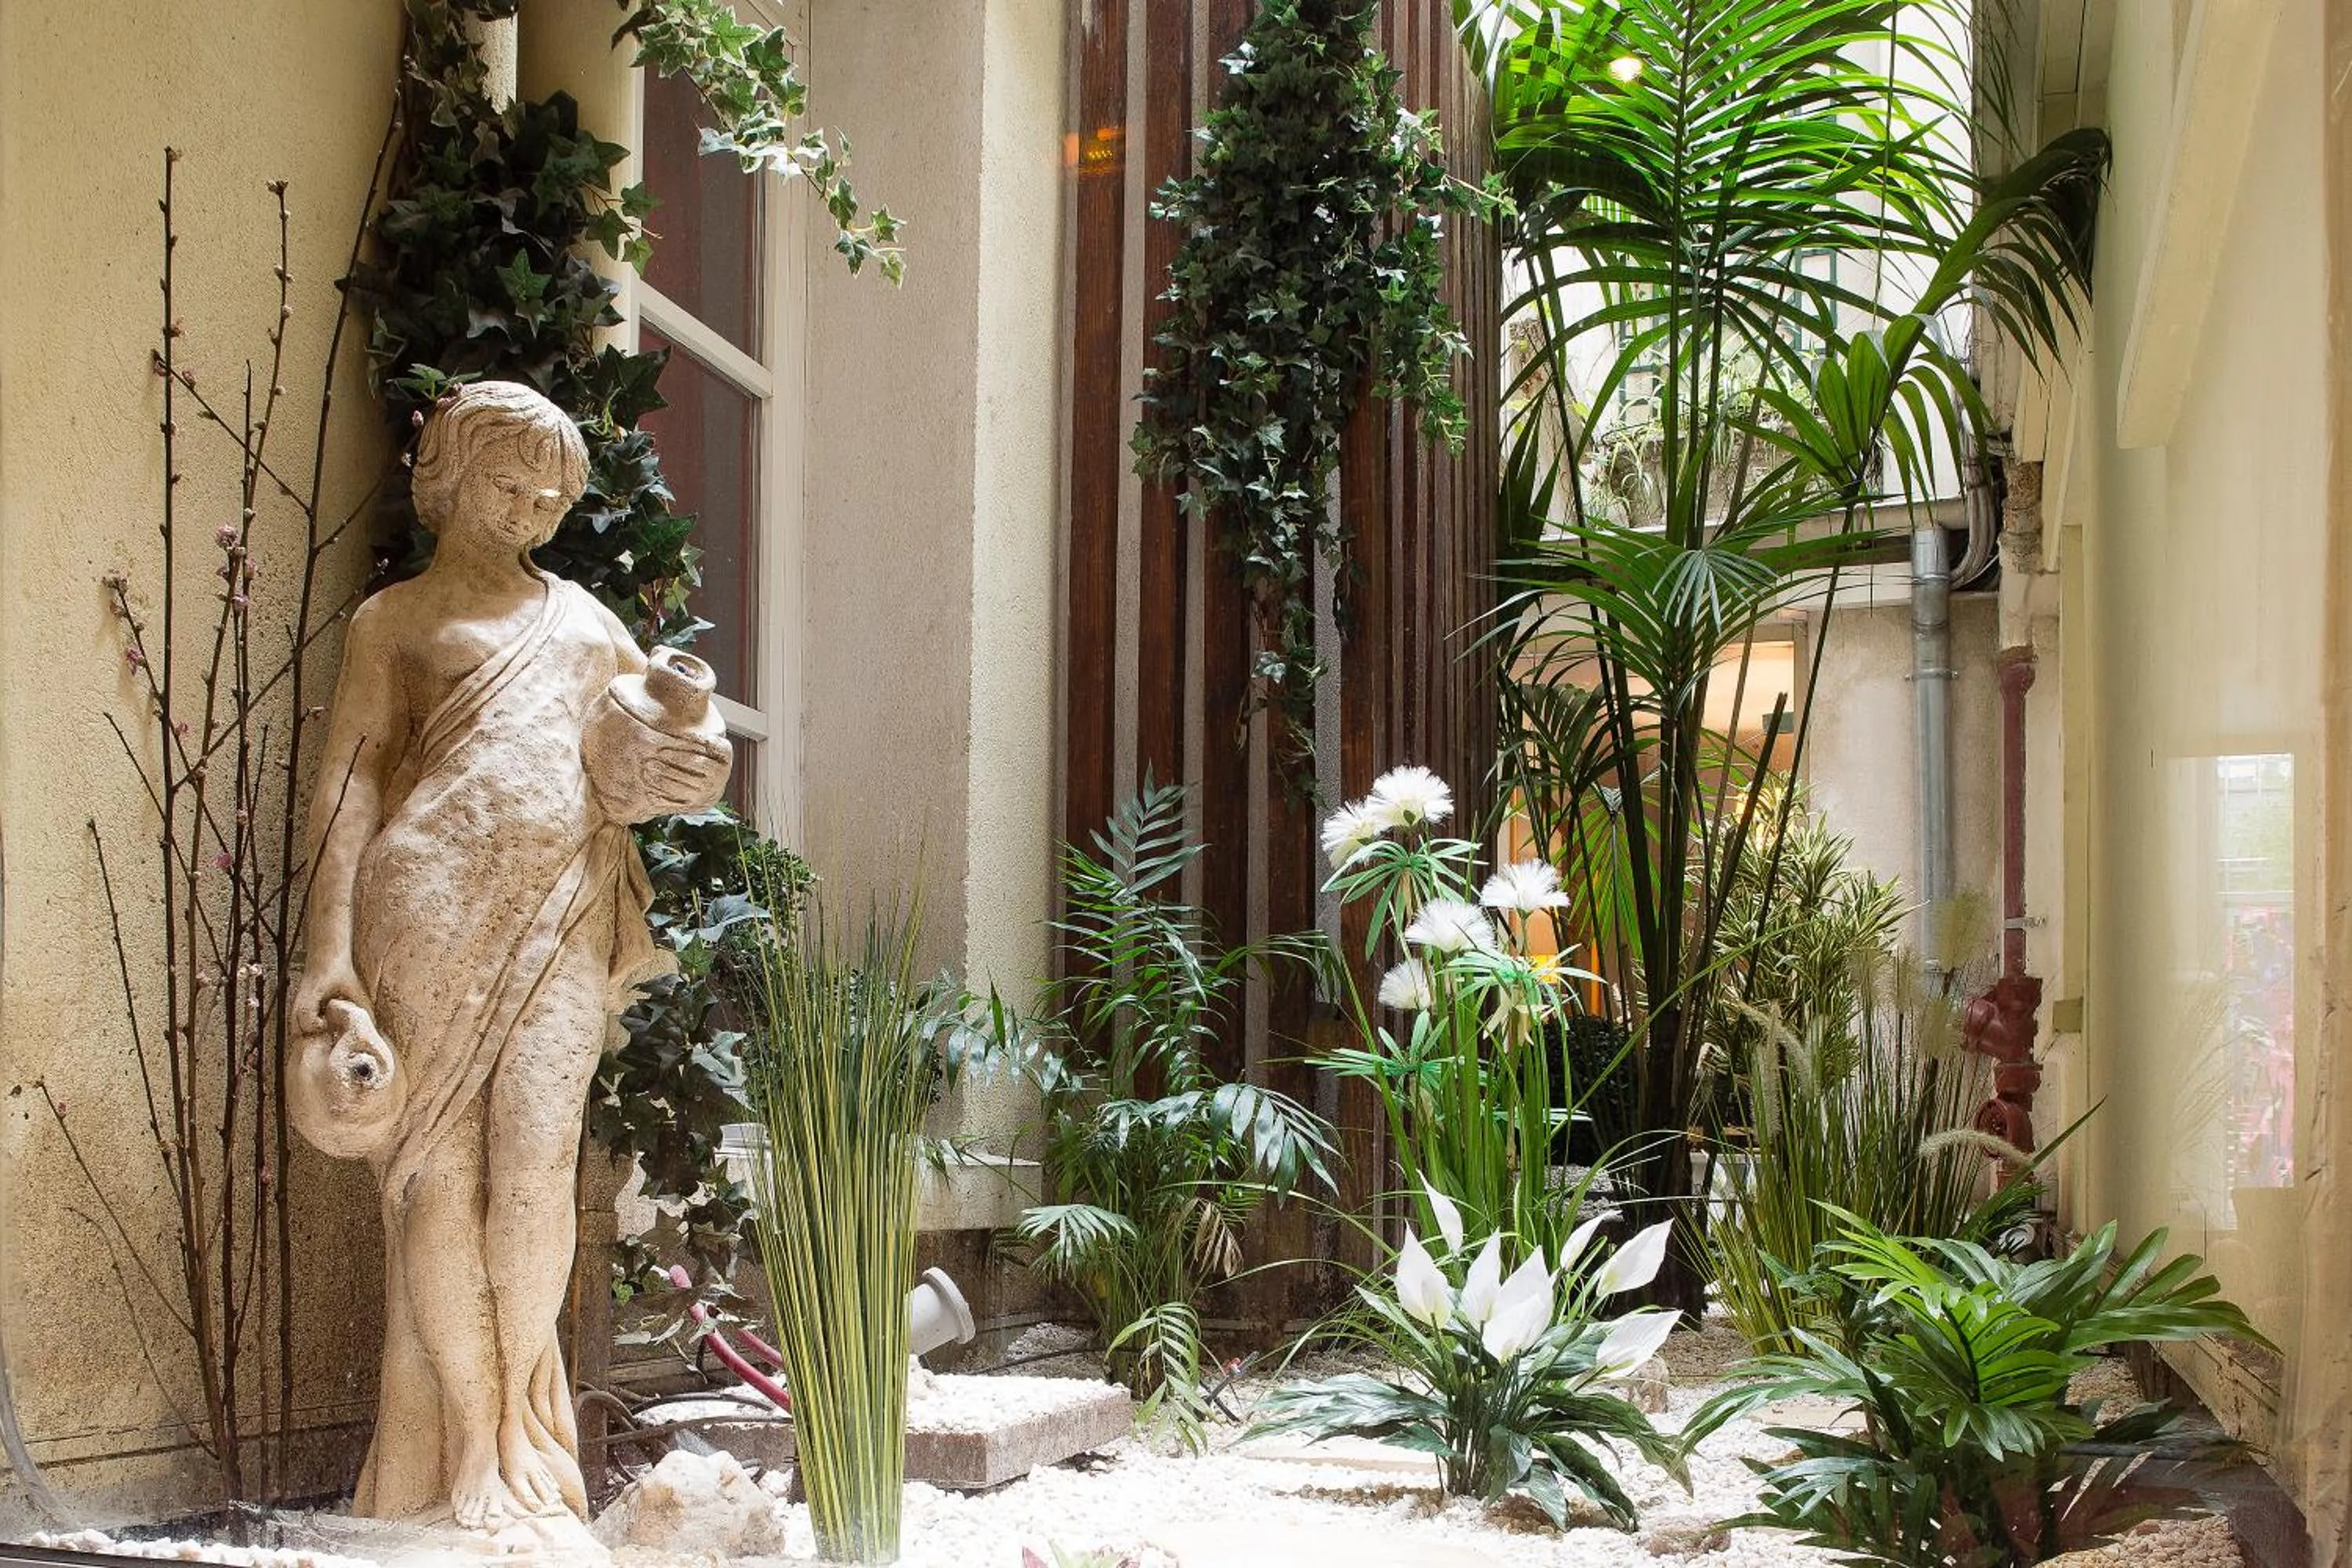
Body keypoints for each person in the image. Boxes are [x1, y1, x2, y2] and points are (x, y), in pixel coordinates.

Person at [292, 381, 729, 1530]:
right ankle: (474, 1445)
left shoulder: (585, 621)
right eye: (505, 483)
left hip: (562, 921)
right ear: (441, 473)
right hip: (422, 920)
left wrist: (698, 762)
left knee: (536, 1169)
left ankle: (531, 1445)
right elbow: (345, 796)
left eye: (549, 495)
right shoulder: (394, 624)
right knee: (437, 1175)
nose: (530, 509)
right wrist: (324, 961)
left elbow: (672, 734)